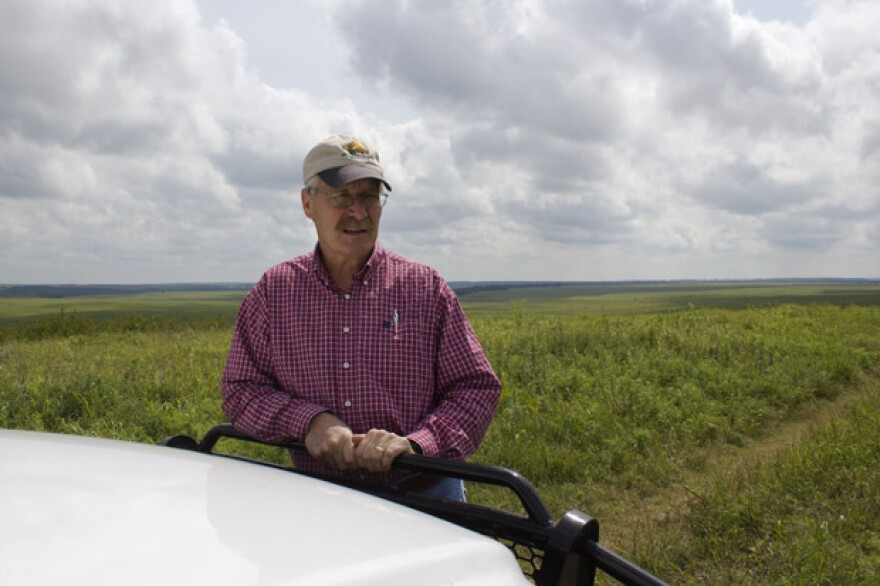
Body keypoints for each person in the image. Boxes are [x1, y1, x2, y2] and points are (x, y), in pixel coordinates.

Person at [221, 134, 501, 500]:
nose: (358, 212)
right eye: (341, 196)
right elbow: (241, 391)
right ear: (308, 203)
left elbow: (475, 387)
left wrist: (416, 446)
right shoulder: (275, 293)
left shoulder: (425, 288)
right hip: (318, 496)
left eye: (369, 196)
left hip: (424, 492)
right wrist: (309, 422)